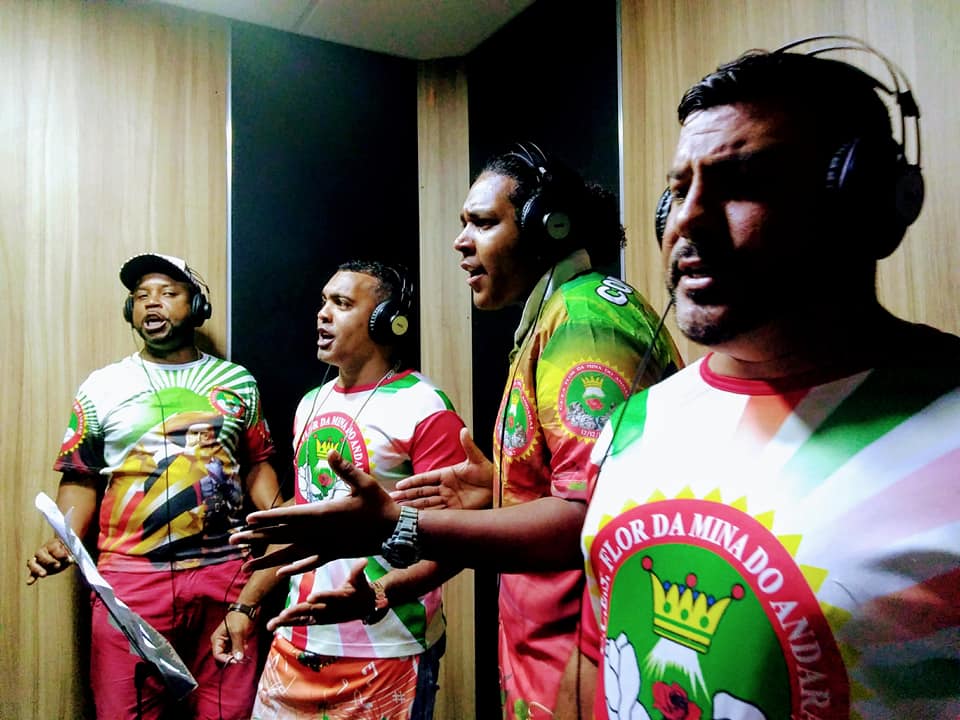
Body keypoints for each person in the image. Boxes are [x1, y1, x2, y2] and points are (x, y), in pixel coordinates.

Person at [564, 38, 960, 719]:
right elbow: (598, 656)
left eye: (743, 182)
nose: (687, 219)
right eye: (678, 189)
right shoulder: (633, 423)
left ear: (862, 200)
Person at [232, 145, 682, 719]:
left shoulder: (582, 321)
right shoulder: (555, 319)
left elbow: (593, 517)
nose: (460, 241)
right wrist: (498, 492)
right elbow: (577, 492)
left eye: (483, 222)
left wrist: (401, 524)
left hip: (581, 660)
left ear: (548, 225)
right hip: (548, 654)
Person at [26, 252, 280, 720]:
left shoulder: (236, 381)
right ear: (131, 311)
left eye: (167, 292)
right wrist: (65, 538)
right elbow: (80, 475)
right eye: (141, 295)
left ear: (197, 306)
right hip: (130, 581)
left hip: (225, 577)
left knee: (228, 711)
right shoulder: (102, 386)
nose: (152, 303)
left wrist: (285, 520)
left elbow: (256, 465)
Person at [212, 260, 468, 720]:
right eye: (323, 301)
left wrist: (380, 593)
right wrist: (246, 606)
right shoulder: (311, 403)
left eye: (342, 303)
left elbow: (456, 536)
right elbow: (304, 517)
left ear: (386, 320)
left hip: (388, 648)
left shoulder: (424, 405)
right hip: (296, 638)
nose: (323, 314)